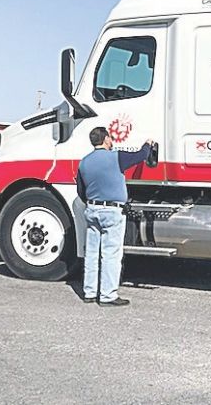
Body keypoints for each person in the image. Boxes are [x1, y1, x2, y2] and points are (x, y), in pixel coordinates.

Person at [76, 127, 153, 306]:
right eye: (110, 138)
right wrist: (148, 145)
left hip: (92, 210)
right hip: (111, 212)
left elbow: (81, 191)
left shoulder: (84, 162)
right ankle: (107, 296)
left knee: (92, 254)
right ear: (106, 139)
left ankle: (89, 292)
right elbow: (141, 155)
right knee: (111, 254)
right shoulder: (116, 157)